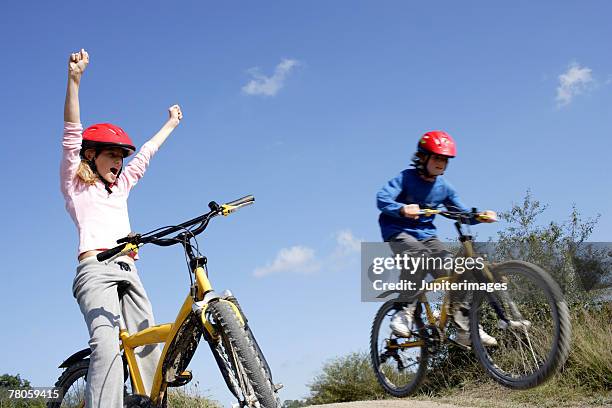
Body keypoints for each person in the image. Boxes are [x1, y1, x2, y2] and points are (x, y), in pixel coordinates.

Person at [61, 49, 183, 407]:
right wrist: (74, 80)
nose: (119, 161)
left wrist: (171, 124)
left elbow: (145, 154)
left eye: (120, 156)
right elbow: (71, 134)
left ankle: (149, 403)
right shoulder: (76, 184)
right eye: (111, 155)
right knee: (107, 344)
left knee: (146, 340)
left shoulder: (122, 185)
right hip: (96, 269)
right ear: (91, 155)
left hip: (129, 268)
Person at [376, 130, 498, 347]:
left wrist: (479, 216)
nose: (441, 162)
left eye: (444, 159)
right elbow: (382, 199)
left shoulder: (444, 187)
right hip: (398, 231)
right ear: (423, 157)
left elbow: (460, 212)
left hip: (427, 236)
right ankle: (404, 311)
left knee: (456, 272)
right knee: (418, 256)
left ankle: (465, 329)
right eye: (437, 157)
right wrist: (402, 209)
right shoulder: (406, 178)